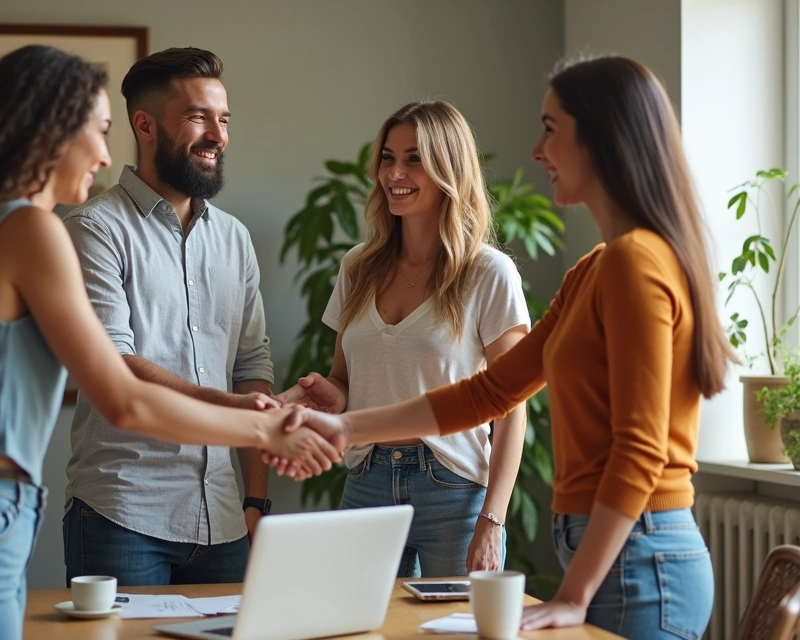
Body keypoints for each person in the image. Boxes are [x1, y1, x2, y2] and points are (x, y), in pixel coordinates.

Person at [0, 45, 337, 640]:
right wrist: (263, 425)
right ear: (49, 129)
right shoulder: (32, 228)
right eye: (98, 131)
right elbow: (123, 396)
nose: (106, 154)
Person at [278, 55, 737, 638]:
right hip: (610, 549)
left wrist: (571, 596)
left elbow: (641, 451)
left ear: (601, 136)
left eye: (550, 129)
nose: (537, 151)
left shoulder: (633, 263)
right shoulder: (596, 267)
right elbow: (491, 391)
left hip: (640, 558)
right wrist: (347, 429)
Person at [276, 101, 529, 577]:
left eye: (414, 158)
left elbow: (513, 406)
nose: (395, 172)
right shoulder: (358, 266)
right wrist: (325, 394)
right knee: (359, 626)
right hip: (367, 480)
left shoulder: (489, 272)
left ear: (449, 167)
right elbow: (344, 381)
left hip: (453, 487)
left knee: (456, 631)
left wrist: (492, 519)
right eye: (388, 158)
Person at [60, 47, 277, 587]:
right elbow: (118, 363)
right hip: (123, 516)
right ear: (145, 124)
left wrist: (256, 498)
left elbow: (253, 365)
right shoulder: (94, 230)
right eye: (198, 117)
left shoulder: (234, 238)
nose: (218, 135)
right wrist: (236, 406)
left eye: (223, 119)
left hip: (226, 519)